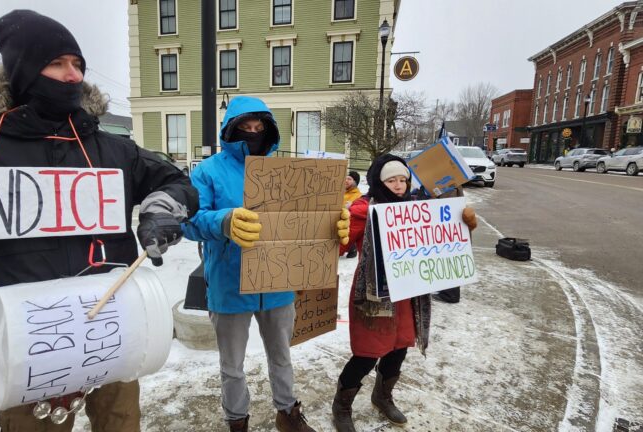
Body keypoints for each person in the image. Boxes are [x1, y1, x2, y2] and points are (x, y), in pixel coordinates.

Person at [0, 10, 198, 432]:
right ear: (24, 72)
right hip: (33, 343)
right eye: (57, 63)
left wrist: (160, 212)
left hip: (116, 329)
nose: (72, 75)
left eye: (77, 64)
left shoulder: (113, 150)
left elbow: (174, 181)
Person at [182, 96, 349, 432]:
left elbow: (306, 216)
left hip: (278, 281)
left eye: (260, 128)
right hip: (230, 285)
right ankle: (237, 420)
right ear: (230, 129)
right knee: (232, 364)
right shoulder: (207, 171)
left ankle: (287, 412)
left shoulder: (286, 171)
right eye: (245, 127)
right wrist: (224, 221)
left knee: (282, 356)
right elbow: (189, 221)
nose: (253, 133)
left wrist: (333, 222)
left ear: (270, 131)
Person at [331, 154, 476, 431]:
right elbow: (337, 247)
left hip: (409, 296)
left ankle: (382, 396)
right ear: (378, 181)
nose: (399, 185)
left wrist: (464, 223)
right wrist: (337, 229)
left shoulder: (418, 209)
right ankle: (342, 405)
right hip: (374, 297)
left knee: (398, 349)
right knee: (366, 354)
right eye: (391, 180)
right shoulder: (363, 209)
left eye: (403, 179)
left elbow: (447, 243)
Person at [341, 171, 362, 259]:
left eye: (349, 179)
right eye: (345, 178)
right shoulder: (342, 192)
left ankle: (351, 247)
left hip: (347, 224)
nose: (346, 180)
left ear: (355, 182)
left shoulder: (357, 196)